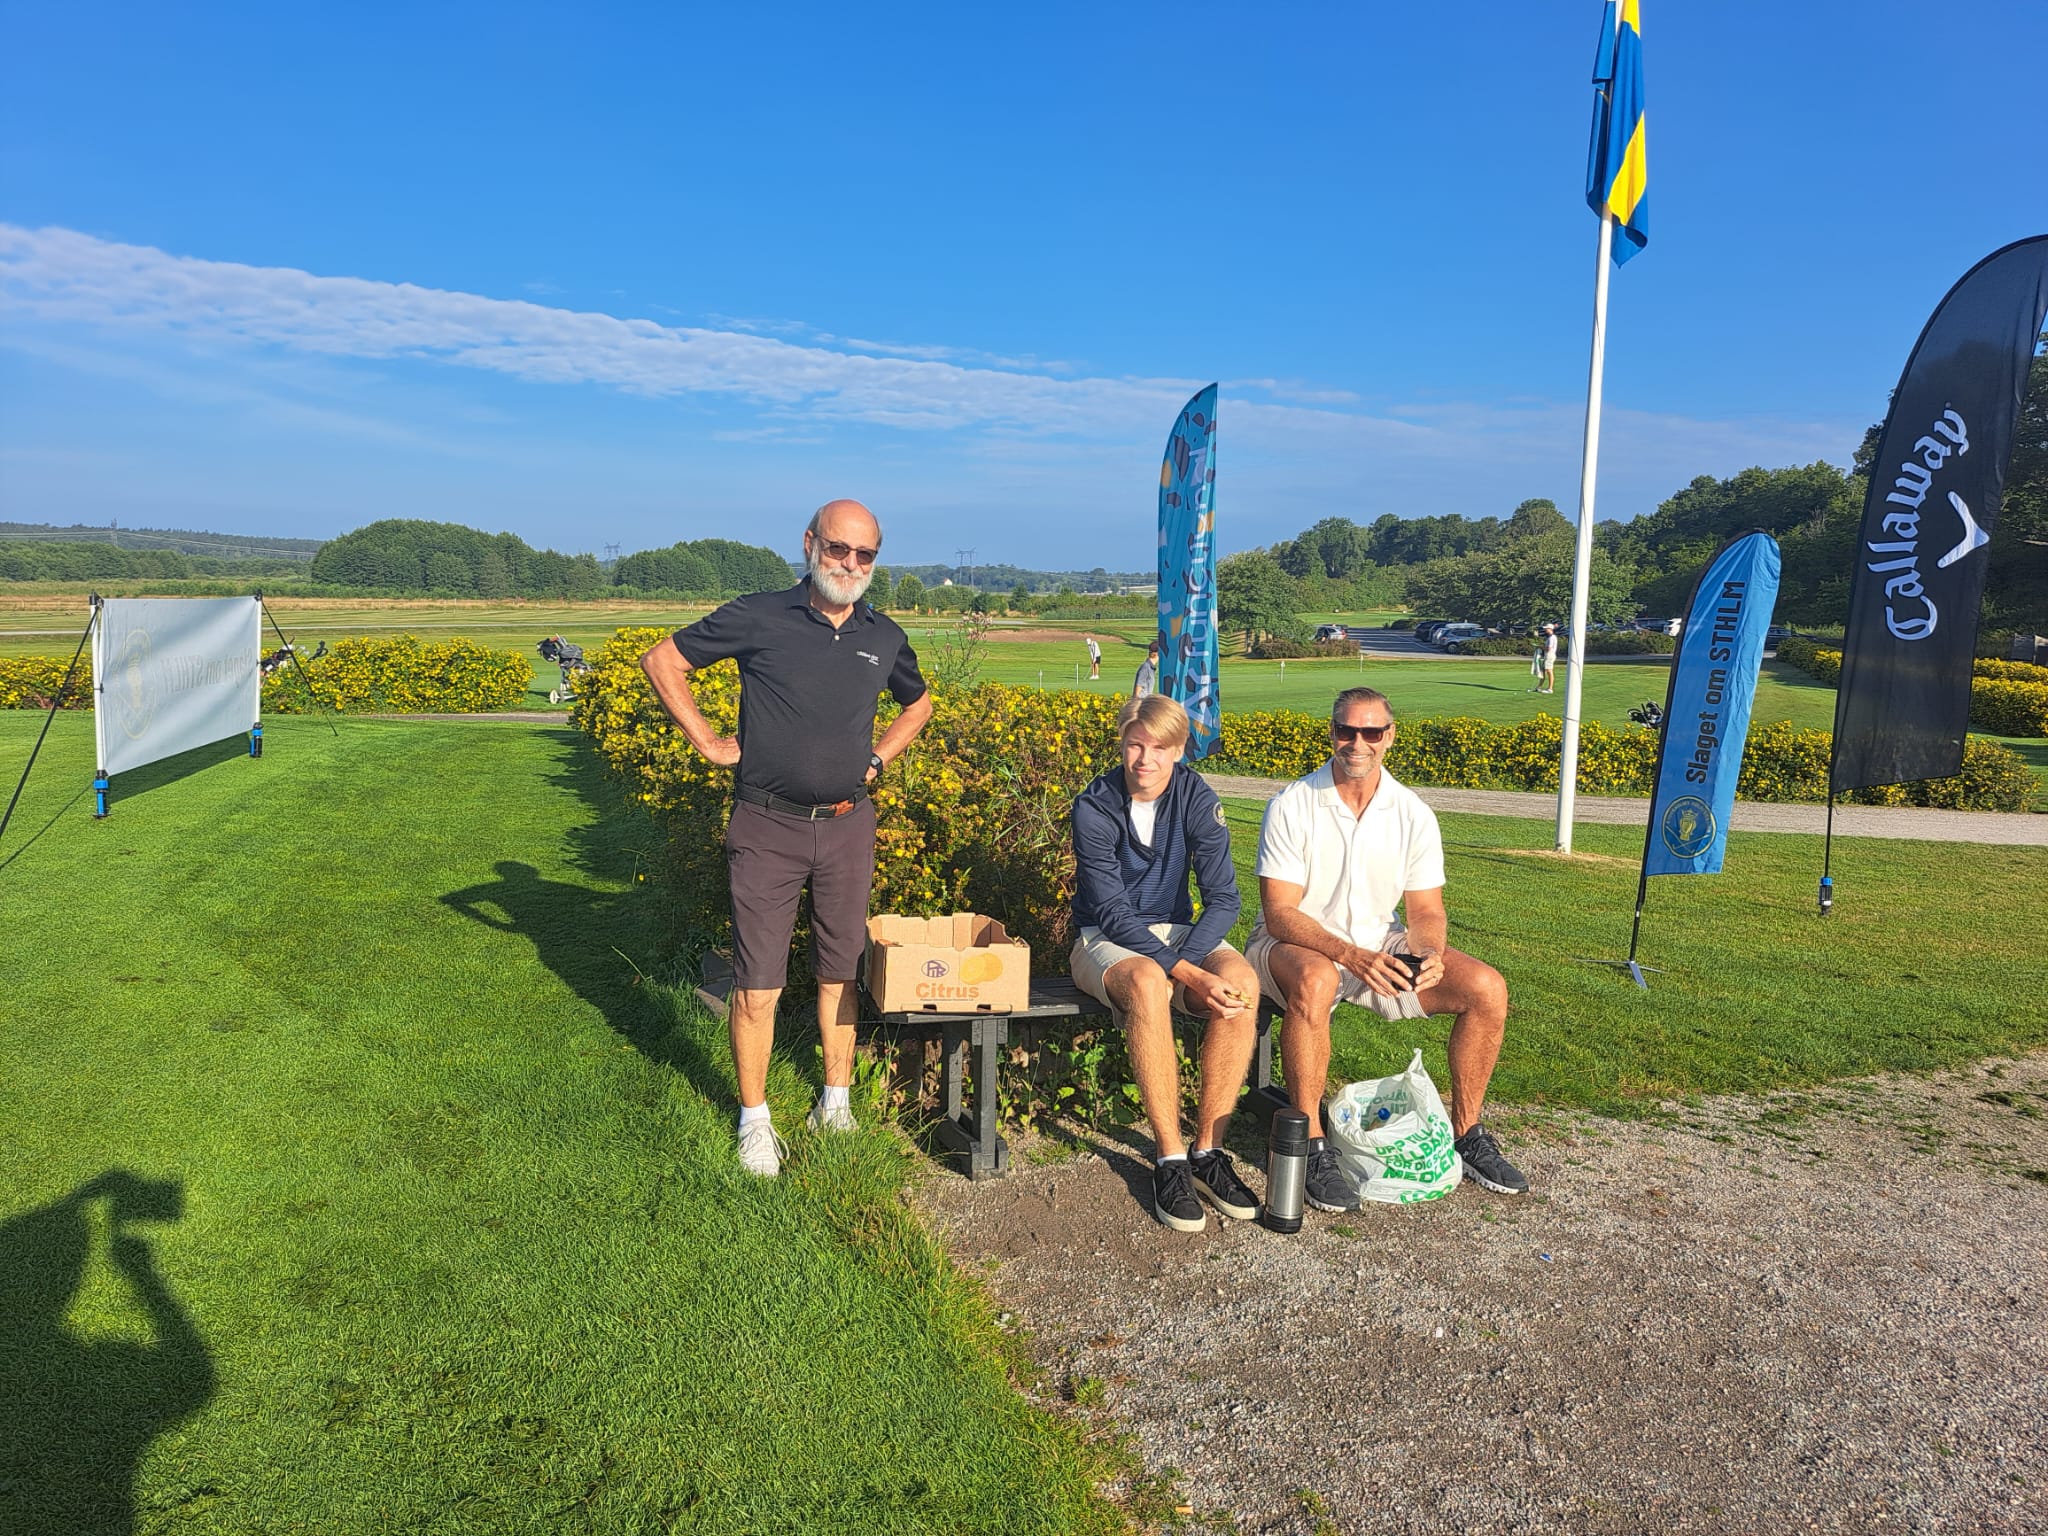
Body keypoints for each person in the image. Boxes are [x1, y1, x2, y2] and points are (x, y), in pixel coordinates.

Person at [639, 499, 933, 1177]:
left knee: (839, 971)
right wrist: (709, 741)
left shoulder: (883, 636)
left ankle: (835, 1101)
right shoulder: (759, 615)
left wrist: (880, 758)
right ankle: (755, 1120)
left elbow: (916, 704)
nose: (850, 565)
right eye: (838, 549)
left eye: (865, 555)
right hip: (766, 827)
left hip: (848, 826)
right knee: (758, 985)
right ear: (810, 544)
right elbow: (663, 662)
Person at [1247, 686, 1528, 1212]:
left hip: (1377, 942)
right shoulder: (1293, 803)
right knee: (1317, 979)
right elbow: (1281, 912)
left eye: (1371, 732)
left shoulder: (1412, 812)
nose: (1358, 742)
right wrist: (1349, 956)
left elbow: (1425, 913)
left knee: (1486, 988)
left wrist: (1429, 954)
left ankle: (1467, 1132)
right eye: (1346, 731)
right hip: (1291, 944)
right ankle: (1308, 1145)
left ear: (1389, 737)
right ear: (1330, 734)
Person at [1070, 695, 1264, 1231]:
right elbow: (1109, 909)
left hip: (1178, 935)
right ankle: (1170, 1158)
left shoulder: (1197, 796)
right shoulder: (1094, 804)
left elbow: (1224, 897)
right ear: (1122, 744)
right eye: (1135, 744)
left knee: (1242, 980)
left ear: (1179, 751)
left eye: (1159, 748)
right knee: (1150, 981)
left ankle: (1208, 1153)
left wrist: (1195, 962)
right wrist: (1186, 972)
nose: (1145, 759)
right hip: (1102, 938)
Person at [1537, 623, 1558, 694]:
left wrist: (1540, 647)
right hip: (1547, 655)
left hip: (1550, 655)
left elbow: (1548, 649)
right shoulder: (1549, 637)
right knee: (1543, 671)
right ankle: (1539, 687)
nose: (1545, 630)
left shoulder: (1552, 638)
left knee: (1549, 671)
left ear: (1550, 629)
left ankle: (1550, 689)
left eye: (1547, 628)